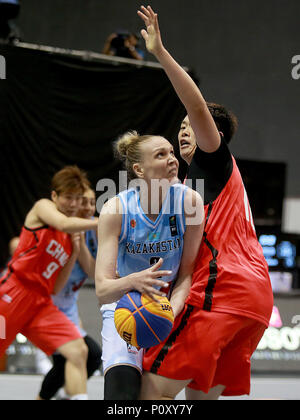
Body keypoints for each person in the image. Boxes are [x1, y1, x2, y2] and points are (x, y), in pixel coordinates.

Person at [137, 5, 274, 400]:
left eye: (189, 127)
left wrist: (160, 52)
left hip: (222, 290)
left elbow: (196, 105)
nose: (183, 133)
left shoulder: (213, 161)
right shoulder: (195, 186)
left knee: (152, 391)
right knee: (199, 398)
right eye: (179, 128)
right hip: (254, 301)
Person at [95, 130, 204, 400]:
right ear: (139, 169)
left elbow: (186, 274)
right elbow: (103, 290)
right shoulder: (115, 209)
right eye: (160, 155)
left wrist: (168, 312)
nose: (172, 159)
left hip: (171, 308)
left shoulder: (189, 202)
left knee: (159, 398)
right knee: (122, 397)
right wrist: (133, 282)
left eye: (171, 152)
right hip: (124, 308)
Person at [0, 165, 98, 400]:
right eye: (68, 198)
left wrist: (74, 252)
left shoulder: (71, 235)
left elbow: (56, 286)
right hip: (12, 295)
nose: (74, 204)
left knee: (78, 351)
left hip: (40, 303)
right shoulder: (43, 208)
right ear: (55, 196)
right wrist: (101, 221)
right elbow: (63, 223)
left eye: (78, 199)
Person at [37, 187, 102, 400]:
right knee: (73, 357)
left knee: (91, 356)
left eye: (92, 203)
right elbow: (54, 284)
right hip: (45, 306)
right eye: (83, 202)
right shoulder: (57, 225)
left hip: (67, 309)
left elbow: (93, 272)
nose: (88, 208)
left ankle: (68, 391)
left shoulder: (92, 230)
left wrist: (80, 244)